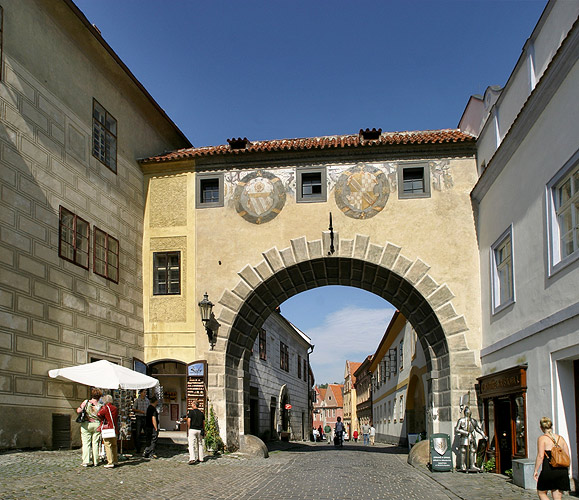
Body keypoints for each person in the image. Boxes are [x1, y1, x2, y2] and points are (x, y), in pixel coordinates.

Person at [533, 416, 570, 500]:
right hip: (561, 469)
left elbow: (540, 456)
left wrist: (536, 470)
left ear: (541, 427)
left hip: (549, 469)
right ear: (551, 426)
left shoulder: (542, 439)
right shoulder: (561, 438)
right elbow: (567, 455)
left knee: (541, 492)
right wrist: (568, 469)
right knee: (557, 495)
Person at [454, 406, 486, 471]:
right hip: (464, 437)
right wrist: (464, 432)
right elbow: (457, 429)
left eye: (469, 412)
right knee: (463, 451)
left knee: (473, 450)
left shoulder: (473, 420)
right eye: (467, 412)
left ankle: (472, 465)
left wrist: (483, 435)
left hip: (471, 436)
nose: (468, 413)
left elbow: (477, 429)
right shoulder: (461, 420)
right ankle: (462, 465)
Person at [76, 387, 103, 467]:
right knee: (95, 443)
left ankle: (86, 461)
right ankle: (96, 461)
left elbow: (79, 410)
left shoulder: (86, 402)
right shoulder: (100, 405)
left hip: (86, 424)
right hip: (97, 424)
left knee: (86, 443)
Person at [98, 394, 119, 468]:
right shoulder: (115, 408)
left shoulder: (105, 408)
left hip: (107, 428)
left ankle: (110, 462)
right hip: (114, 428)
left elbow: (99, 414)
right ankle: (115, 460)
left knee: (107, 444)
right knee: (114, 445)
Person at [187, 401, 205, 465]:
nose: (191, 405)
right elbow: (203, 422)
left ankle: (192, 458)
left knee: (191, 444)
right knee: (200, 444)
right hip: (199, 429)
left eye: (192, 404)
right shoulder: (201, 413)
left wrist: (189, 428)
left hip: (192, 429)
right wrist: (203, 429)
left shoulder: (191, 412)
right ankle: (201, 458)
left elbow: (189, 420)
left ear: (194, 405)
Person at [132, 389, 149, 454]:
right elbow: (133, 409)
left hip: (145, 417)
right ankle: (138, 448)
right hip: (139, 417)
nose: (145, 394)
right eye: (144, 392)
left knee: (146, 433)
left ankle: (147, 448)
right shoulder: (137, 400)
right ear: (141, 393)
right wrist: (140, 411)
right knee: (138, 433)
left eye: (146, 392)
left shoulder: (147, 400)